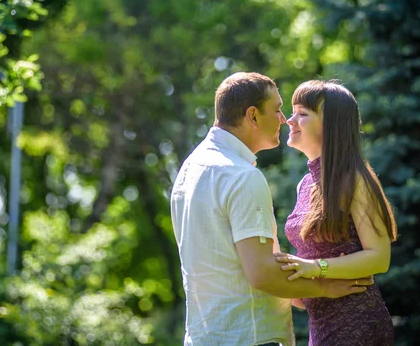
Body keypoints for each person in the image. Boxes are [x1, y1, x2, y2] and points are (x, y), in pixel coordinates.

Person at [170, 72, 374, 346]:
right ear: (253, 116)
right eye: (277, 109)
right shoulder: (241, 176)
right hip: (249, 336)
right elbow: (262, 274)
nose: (284, 119)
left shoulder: (189, 170)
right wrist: (324, 287)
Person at [277, 79, 397, 345]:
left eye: (302, 114)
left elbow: (379, 257)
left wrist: (314, 268)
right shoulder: (304, 183)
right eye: (293, 111)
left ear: (331, 126)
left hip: (358, 323)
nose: (289, 120)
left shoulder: (355, 179)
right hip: (319, 325)